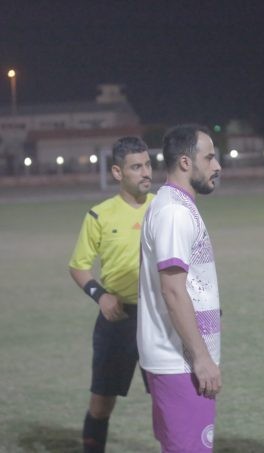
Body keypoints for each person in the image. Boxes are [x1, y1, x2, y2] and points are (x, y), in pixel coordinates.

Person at [137, 124, 222, 452]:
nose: (217, 166)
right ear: (186, 162)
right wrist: (201, 359)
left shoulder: (174, 204)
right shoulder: (174, 212)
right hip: (180, 363)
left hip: (177, 360)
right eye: (209, 158)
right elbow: (172, 290)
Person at [68, 136, 153, 452]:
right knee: (101, 403)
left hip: (160, 318)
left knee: (169, 398)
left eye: (147, 164)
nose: (146, 172)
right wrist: (101, 296)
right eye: (136, 167)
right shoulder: (99, 215)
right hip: (119, 321)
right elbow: (78, 266)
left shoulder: (165, 208)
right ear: (117, 172)